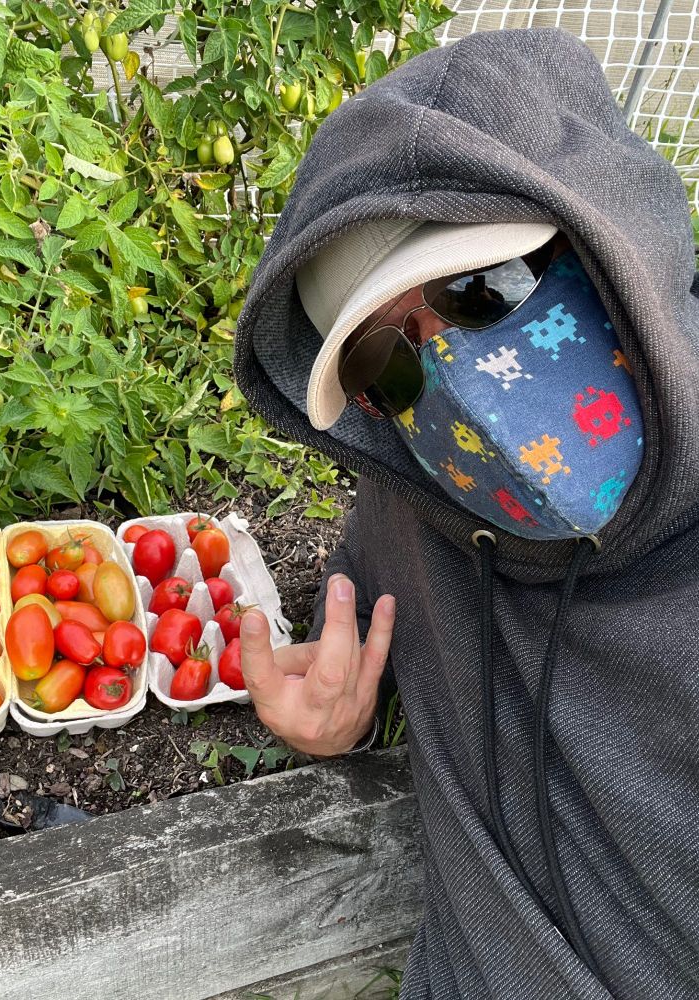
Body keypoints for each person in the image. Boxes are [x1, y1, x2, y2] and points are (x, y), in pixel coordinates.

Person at [233, 25, 699, 1000]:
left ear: (611, 244)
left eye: (484, 289)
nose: (460, 388)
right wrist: (338, 722)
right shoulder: (416, 504)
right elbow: (352, 649)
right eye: (383, 359)